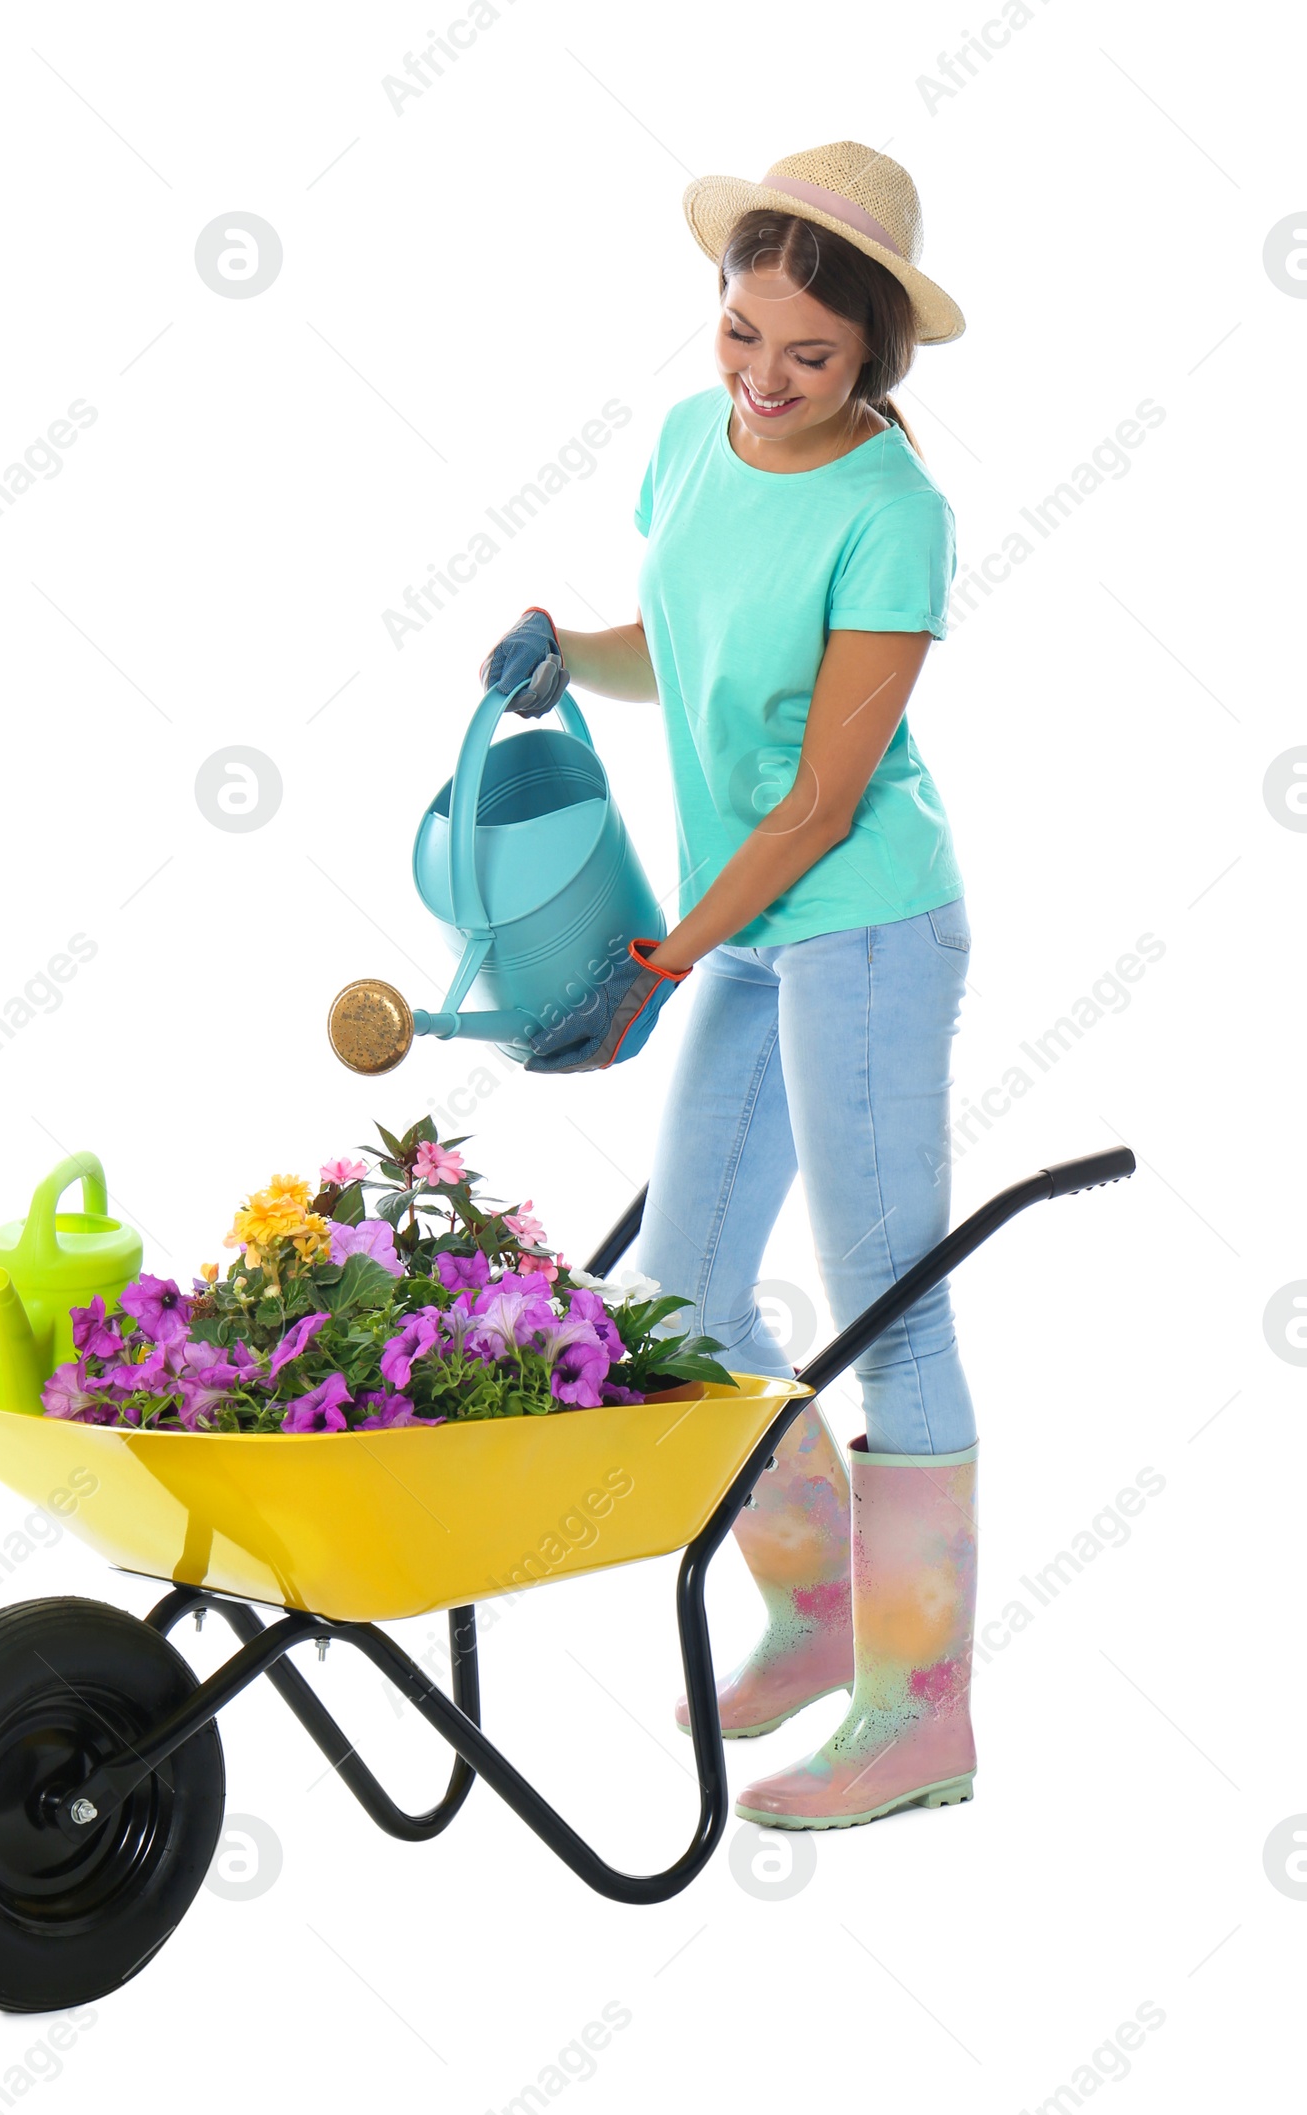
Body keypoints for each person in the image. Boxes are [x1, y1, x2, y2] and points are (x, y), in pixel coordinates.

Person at [478, 143, 979, 1831]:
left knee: (887, 1304)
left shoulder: (893, 515)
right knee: (684, 1305)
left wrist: (678, 950)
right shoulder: (698, 442)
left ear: (873, 367)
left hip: (863, 931)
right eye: (740, 333)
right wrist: (568, 648)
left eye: (810, 360)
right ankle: (827, 1610)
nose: (763, 382)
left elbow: (825, 801)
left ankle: (920, 1716)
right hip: (749, 930)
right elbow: (672, 646)